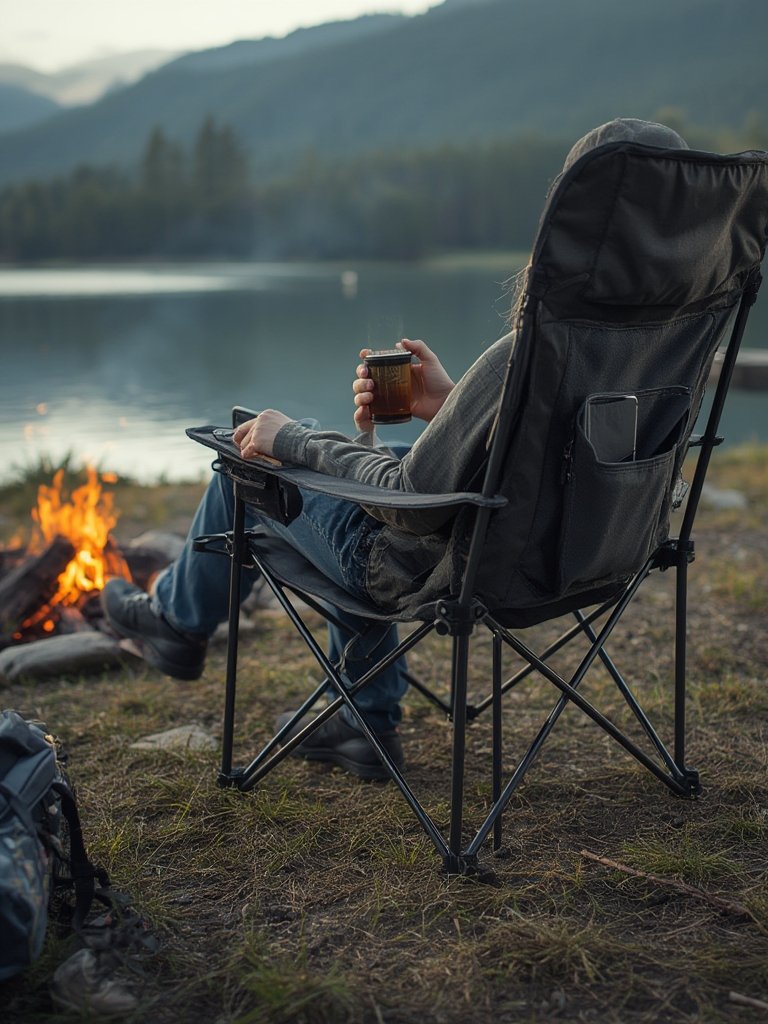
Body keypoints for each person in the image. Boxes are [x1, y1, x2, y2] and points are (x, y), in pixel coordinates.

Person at [102, 118, 688, 779]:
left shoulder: (525, 355)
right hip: (593, 552)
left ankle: (179, 627)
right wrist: (449, 409)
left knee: (250, 462)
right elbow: (557, 451)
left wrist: (292, 437)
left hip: (435, 567)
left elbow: (409, 505)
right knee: (332, 462)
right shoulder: (668, 344)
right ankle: (363, 719)